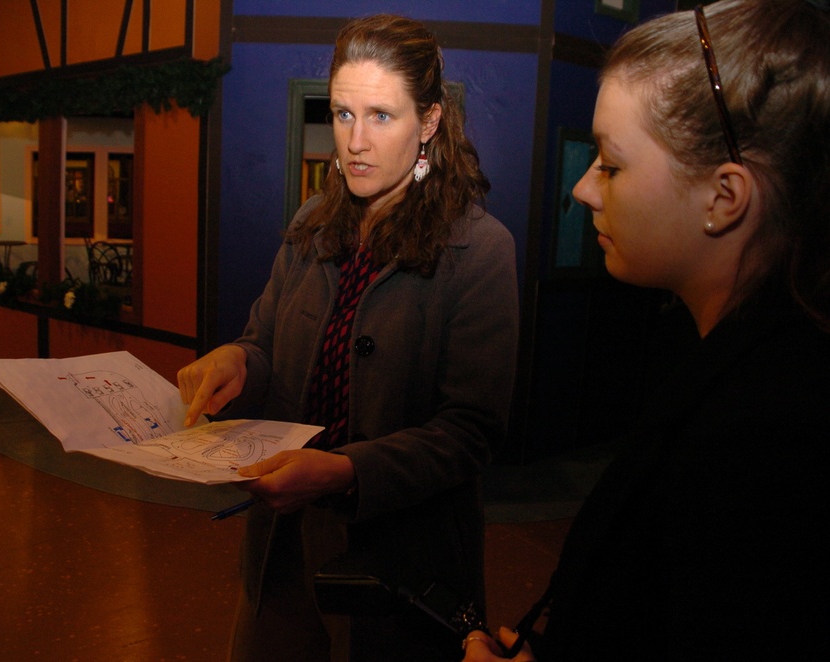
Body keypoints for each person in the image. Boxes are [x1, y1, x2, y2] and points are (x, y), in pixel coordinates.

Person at [461, 1, 830, 660]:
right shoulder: (703, 353)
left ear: (722, 197)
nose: (582, 189)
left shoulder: (771, 434)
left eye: (611, 163)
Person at [177, 13, 519, 662]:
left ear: (428, 122)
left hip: (394, 561)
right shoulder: (312, 221)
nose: (354, 141)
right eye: (339, 113)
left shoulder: (479, 249)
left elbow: (470, 432)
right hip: (282, 546)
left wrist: (344, 471)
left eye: (380, 116)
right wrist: (238, 361)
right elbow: (265, 344)